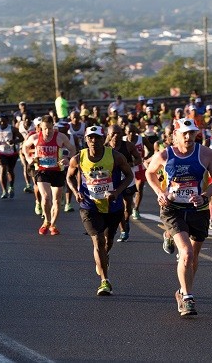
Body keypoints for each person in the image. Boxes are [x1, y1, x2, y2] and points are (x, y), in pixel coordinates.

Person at [145, 118, 212, 317]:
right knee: (186, 253)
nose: (189, 137)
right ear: (175, 135)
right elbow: (150, 173)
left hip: (198, 209)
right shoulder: (164, 155)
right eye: (184, 133)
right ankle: (188, 298)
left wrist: (204, 195)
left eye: (192, 133)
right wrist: (159, 192)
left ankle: (182, 291)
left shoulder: (207, 154)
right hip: (173, 208)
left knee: (193, 257)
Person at [66, 125, 134, 296]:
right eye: (90, 137)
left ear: (104, 139)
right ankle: (105, 281)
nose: (94, 141)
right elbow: (69, 177)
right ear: (86, 139)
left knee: (108, 241)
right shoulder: (78, 158)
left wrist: (117, 192)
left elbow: (129, 175)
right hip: (89, 205)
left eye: (97, 137)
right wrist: (76, 192)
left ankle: (104, 257)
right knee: (98, 240)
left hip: (113, 206)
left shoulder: (115, 156)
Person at [22, 115, 75, 235]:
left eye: (49, 128)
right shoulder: (35, 137)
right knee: (46, 197)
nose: (47, 131)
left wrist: (68, 159)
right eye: (44, 128)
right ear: (40, 127)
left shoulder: (60, 137)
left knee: (56, 200)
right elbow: (25, 146)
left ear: (53, 127)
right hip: (42, 171)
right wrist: (29, 159)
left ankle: (53, 225)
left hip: (57, 170)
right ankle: (46, 221)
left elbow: (72, 149)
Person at [105, 125, 142, 242]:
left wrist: (131, 164)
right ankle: (123, 230)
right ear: (108, 135)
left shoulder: (128, 145)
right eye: (113, 133)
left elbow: (138, 158)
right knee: (119, 206)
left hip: (127, 179)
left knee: (127, 206)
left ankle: (126, 221)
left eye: (118, 133)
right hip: (113, 181)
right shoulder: (105, 147)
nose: (116, 135)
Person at [0, 113, 24, 199]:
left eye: (4, 121)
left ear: (7, 121)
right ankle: (4, 191)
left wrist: (13, 141)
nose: (2, 123)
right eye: (0, 122)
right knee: (2, 169)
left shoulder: (13, 129)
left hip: (12, 153)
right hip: (0, 152)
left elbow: (21, 138)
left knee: (10, 171)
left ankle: (11, 187)